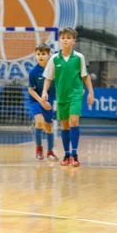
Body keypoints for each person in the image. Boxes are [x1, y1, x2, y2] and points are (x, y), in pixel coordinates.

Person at [42, 27, 95, 167]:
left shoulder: (79, 57)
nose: (65, 40)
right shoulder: (54, 59)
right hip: (62, 96)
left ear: (74, 41)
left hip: (76, 94)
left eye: (68, 37)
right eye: (63, 37)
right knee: (65, 125)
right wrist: (44, 92)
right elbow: (48, 78)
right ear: (59, 40)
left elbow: (85, 76)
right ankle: (66, 154)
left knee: (74, 121)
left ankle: (74, 154)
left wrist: (90, 92)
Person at [27, 43, 58, 161]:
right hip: (36, 99)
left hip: (49, 100)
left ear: (48, 55)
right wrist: (40, 101)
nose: (40, 56)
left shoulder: (54, 69)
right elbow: (30, 89)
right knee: (39, 122)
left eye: (43, 54)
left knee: (48, 126)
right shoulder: (33, 72)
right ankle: (39, 149)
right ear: (35, 56)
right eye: (38, 54)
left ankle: (50, 151)